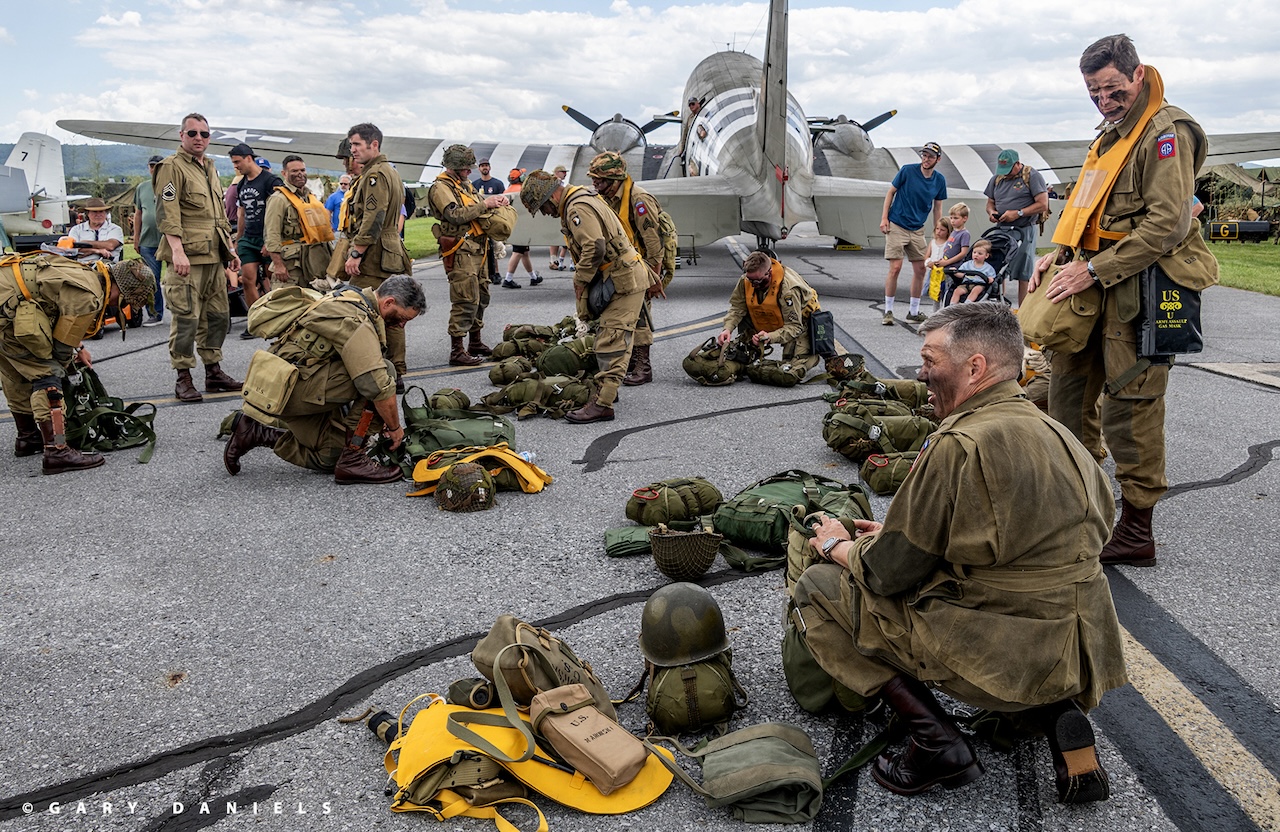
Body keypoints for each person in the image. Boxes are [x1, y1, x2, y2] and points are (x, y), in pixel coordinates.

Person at [793, 302, 1126, 804]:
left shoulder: (958, 443)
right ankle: (1054, 711)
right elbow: (1045, 541)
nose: (920, 374)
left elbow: (886, 572)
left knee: (818, 588)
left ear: (975, 368)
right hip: (1078, 649)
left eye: (930, 360)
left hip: (1001, 650)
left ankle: (935, 741)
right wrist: (910, 533)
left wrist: (838, 545)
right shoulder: (1061, 435)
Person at [1031, 33, 1218, 568]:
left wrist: (1091, 269)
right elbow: (1090, 207)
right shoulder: (1111, 135)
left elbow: (1168, 223)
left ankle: (1136, 530)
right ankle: (1078, 510)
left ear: (1138, 74)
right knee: (1066, 395)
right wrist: (1061, 254)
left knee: (1131, 408)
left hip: (1141, 289)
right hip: (1091, 286)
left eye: (1113, 89)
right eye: (1094, 92)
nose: (1104, 101)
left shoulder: (1165, 132)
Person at [222, 275, 425, 484]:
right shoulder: (356, 320)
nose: (401, 326)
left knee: (331, 456)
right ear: (389, 302)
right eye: (402, 318)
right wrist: (394, 428)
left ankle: (258, 433)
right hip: (288, 390)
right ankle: (353, 459)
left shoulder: (349, 296)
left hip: (282, 385)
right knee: (384, 373)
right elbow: (376, 385)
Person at [1, 255, 154, 473]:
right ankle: (57, 450)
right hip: (8, 313)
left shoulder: (86, 274)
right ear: (119, 289)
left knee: (16, 372)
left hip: (5, 303)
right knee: (49, 375)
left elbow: (55, 308)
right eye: (125, 300)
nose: (121, 305)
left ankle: (28, 438)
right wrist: (65, 365)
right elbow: (61, 351)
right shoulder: (90, 296)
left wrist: (79, 347)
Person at [520, 169, 648, 423]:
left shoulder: (576, 207)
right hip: (619, 275)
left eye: (543, 207)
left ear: (551, 196)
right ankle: (607, 391)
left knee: (611, 342)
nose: (545, 213)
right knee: (608, 336)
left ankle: (603, 404)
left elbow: (594, 246)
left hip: (622, 278)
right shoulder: (582, 197)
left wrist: (580, 279)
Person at [153, 112, 242, 403]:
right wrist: (177, 251)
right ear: (182, 136)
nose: (199, 138)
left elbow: (219, 216)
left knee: (218, 317)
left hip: (214, 256)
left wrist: (230, 250)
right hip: (187, 258)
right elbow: (167, 212)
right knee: (186, 319)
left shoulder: (210, 167)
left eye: (204, 134)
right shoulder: (171, 167)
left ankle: (213, 371)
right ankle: (183, 377)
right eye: (192, 133)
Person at [339, 123, 413, 389]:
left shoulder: (375, 175)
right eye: (351, 145)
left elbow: (373, 217)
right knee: (391, 311)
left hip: (376, 253)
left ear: (374, 144)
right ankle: (395, 370)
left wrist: (356, 252)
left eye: (357, 144)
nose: (353, 150)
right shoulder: (387, 171)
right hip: (388, 249)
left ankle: (386, 371)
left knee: (365, 308)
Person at [588, 151, 668, 386]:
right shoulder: (608, 197)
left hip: (643, 266)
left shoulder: (639, 199)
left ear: (614, 180)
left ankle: (643, 366)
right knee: (626, 315)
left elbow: (654, 243)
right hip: (623, 266)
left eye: (599, 180)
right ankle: (632, 362)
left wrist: (654, 278)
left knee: (640, 315)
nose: (595, 184)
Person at [428, 144, 507, 366]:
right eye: (465, 168)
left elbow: (476, 207)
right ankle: (457, 350)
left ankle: (475, 342)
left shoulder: (465, 185)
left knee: (481, 295)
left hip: (477, 247)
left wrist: (494, 203)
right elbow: (454, 215)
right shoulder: (441, 187)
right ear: (453, 167)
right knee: (464, 297)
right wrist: (485, 204)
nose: (469, 171)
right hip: (461, 250)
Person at [715, 250, 820, 379]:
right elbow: (737, 308)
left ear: (769, 272)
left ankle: (811, 355)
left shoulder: (788, 290)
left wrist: (770, 337)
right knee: (744, 317)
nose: (754, 285)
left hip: (800, 323)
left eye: (758, 281)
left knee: (790, 369)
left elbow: (794, 326)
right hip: (770, 314)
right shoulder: (747, 280)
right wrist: (727, 329)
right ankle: (750, 351)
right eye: (751, 280)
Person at [879, 142, 947, 325]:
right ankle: (888, 311)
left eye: (930, 156)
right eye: (924, 155)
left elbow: (937, 207)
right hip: (897, 224)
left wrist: (938, 231)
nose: (926, 159)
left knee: (921, 268)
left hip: (917, 228)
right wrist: (884, 218)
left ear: (938, 159)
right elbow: (891, 192)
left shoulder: (939, 180)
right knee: (896, 267)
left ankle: (913, 311)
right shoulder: (907, 171)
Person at [984, 149, 1049, 306]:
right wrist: (992, 212)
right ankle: (1000, 306)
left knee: (1024, 272)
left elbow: (1043, 204)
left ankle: (1023, 312)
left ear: (1017, 164)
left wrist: (1018, 213)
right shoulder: (997, 179)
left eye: (1008, 170)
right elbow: (990, 202)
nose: (1005, 174)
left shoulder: (1032, 176)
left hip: (1024, 229)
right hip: (1002, 229)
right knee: (999, 267)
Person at [229, 145, 281, 333]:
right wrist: (238, 240)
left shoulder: (271, 181)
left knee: (273, 280)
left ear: (248, 158)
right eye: (233, 163)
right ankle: (255, 321)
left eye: (238, 162)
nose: (236, 166)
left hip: (267, 237)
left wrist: (271, 241)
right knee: (247, 279)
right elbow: (241, 214)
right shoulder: (242, 184)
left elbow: (280, 212)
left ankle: (278, 318)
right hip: (249, 238)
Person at [263, 155, 335, 289]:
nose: (300, 174)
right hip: (291, 266)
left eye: (302, 170)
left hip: (314, 263)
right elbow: (272, 234)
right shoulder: (278, 199)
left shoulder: (311, 197)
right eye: (294, 171)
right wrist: (278, 265)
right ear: (284, 173)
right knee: (287, 299)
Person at [133, 156, 165, 325]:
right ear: (148, 168)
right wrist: (136, 237)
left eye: (158, 166)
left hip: (169, 240)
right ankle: (155, 313)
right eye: (152, 166)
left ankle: (182, 312)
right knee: (150, 279)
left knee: (178, 279)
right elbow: (138, 213)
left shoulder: (171, 185)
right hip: (148, 240)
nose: (154, 169)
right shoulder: (142, 187)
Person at [500, 169, 541, 289]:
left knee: (524, 252)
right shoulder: (523, 191)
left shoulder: (507, 191)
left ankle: (533, 277)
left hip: (512, 224)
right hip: (522, 226)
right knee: (518, 252)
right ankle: (508, 279)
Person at [67, 197, 124, 267]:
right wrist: (96, 251)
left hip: (109, 267)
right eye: (94, 212)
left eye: (101, 211)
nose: (98, 215)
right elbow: (72, 251)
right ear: (87, 213)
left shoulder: (115, 229)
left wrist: (85, 243)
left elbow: (110, 245)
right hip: (82, 267)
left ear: (106, 213)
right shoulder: (76, 229)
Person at [949, 239, 997, 304]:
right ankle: (952, 304)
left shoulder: (988, 268)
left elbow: (992, 278)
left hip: (979, 284)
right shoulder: (967, 264)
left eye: (980, 253)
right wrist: (955, 272)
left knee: (976, 290)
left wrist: (990, 279)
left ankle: (968, 303)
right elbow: (961, 275)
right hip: (966, 283)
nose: (976, 255)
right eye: (974, 252)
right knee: (957, 291)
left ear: (986, 255)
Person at [547, 165, 573, 272]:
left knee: (557, 236)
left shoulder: (560, 183)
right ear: (557, 172)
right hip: (554, 211)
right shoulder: (554, 182)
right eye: (563, 172)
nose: (565, 174)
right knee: (554, 236)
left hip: (558, 211)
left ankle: (555, 260)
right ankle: (553, 261)